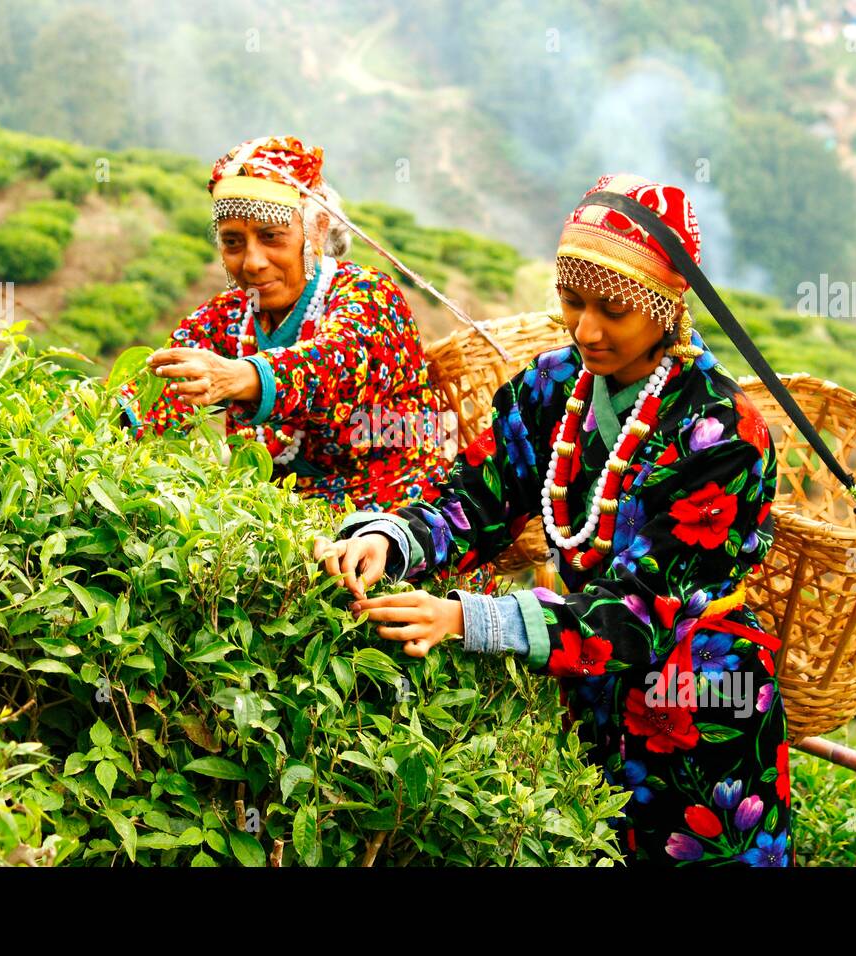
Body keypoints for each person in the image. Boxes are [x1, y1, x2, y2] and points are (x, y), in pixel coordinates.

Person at [314, 174, 793, 867]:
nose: (586, 330)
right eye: (572, 302)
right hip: (593, 699)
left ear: (665, 305)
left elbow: (638, 612)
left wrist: (465, 618)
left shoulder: (720, 431)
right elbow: (473, 498)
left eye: (613, 311)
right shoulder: (553, 386)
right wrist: (390, 540)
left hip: (701, 718)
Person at [116, 136, 450, 511]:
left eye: (271, 236)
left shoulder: (370, 296)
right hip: (279, 526)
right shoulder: (227, 317)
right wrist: (111, 420)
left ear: (318, 230)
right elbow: (157, 394)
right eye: (233, 242)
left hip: (402, 522)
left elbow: (337, 360)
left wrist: (243, 377)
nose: (252, 262)